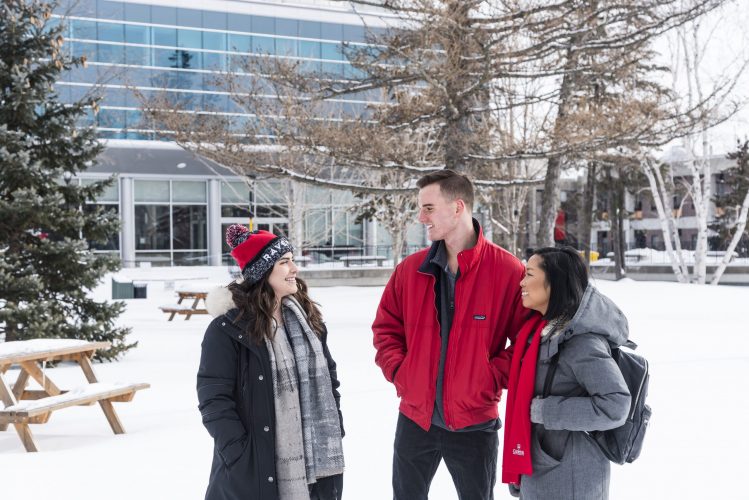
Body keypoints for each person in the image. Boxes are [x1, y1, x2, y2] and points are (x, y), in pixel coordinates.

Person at [372, 169, 529, 500]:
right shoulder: (410, 270)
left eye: (428, 207)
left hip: (474, 422)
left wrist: (488, 378)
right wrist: (402, 373)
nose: (420, 217)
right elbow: (386, 328)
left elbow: (527, 343)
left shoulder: (508, 271)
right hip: (415, 418)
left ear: (458, 207)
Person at [197, 225, 344, 500]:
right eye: (284, 262)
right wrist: (238, 451)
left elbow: (331, 378)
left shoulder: (308, 321)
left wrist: (335, 425)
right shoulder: (228, 329)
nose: (295, 269)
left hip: (318, 460)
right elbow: (213, 399)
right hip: (252, 467)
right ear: (262, 271)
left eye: (293, 260)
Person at [502, 246, 631, 499]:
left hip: (572, 476)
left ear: (554, 283)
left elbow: (616, 405)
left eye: (529, 274)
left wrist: (547, 410)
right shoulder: (540, 333)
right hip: (544, 469)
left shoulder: (580, 343)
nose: (521, 282)